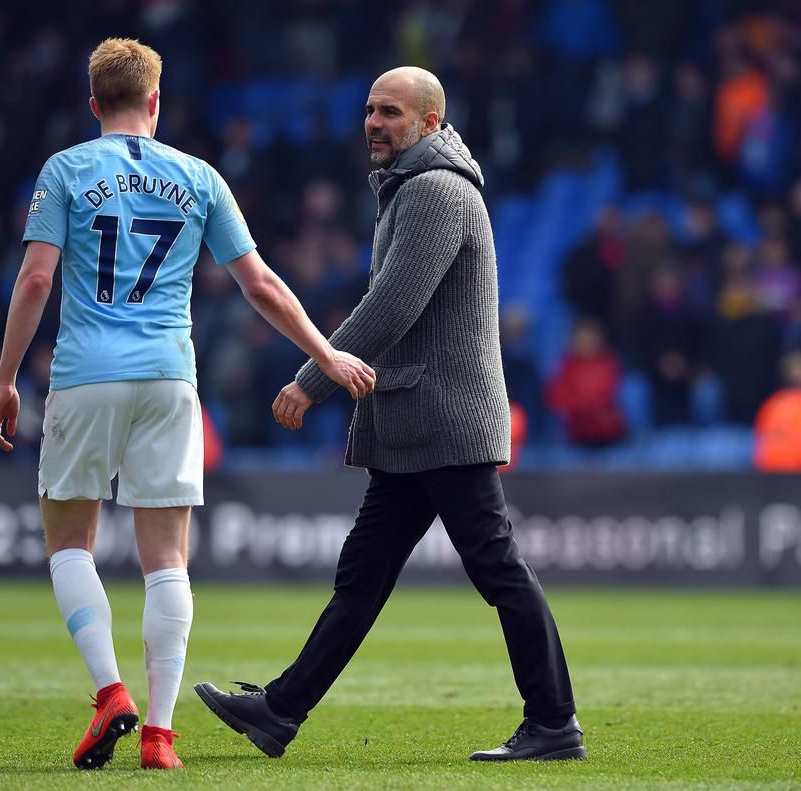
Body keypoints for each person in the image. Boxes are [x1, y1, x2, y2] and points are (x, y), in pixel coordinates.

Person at [0, 38, 375, 771]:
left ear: (94, 103)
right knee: (167, 558)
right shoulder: (199, 177)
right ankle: (160, 735)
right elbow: (259, 283)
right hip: (170, 378)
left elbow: (36, 280)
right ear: (157, 101)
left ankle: (110, 692)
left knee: (69, 540)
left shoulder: (65, 169)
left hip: (83, 374)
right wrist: (325, 354)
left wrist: (6, 381)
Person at [195, 66, 584, 762]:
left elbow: (393, 306)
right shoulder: (415, 187)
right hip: (416, 419)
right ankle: (280, 709)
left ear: (431, 123)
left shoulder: (435, 191)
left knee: (496, 568)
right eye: (371, 109)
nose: (375, 122)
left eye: (392, 113)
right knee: (363, 579)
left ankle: (555, 721)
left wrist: (313, 377)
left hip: (444, 419)